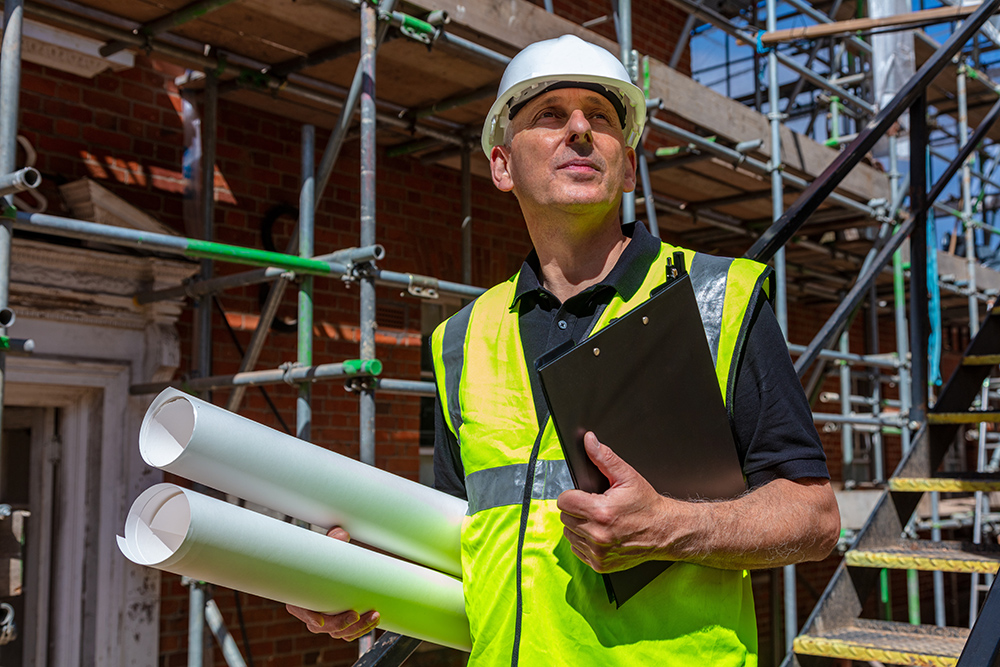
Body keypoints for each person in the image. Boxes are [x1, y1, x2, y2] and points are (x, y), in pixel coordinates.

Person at [289, 34, 840, 665]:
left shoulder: (716, 297)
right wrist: (362, 579)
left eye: (602, 118)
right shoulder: (461, 338)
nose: (579, 128)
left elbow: (815, 518)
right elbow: (466, 540)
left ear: (628, 167)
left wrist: (672, 528)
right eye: (550, 114)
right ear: (502, 165)